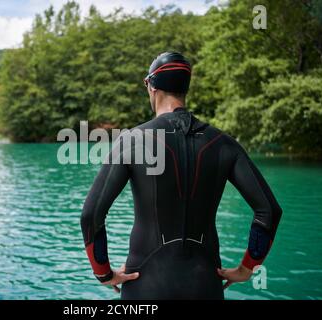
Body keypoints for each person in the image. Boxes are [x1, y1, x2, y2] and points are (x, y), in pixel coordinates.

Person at [80, 52, 282, 299]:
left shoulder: (132, 141)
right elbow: (269, 211)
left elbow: (91, 215)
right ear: (185, 89)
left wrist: (104, 273)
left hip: (145, 286)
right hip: (205, 284)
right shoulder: (223, 143)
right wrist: (247, 268)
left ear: (152, 86)